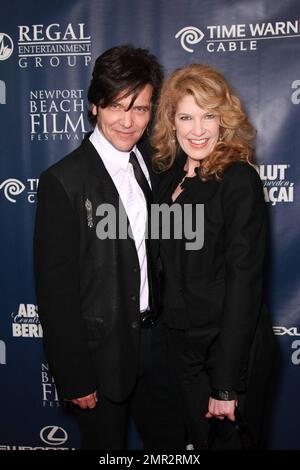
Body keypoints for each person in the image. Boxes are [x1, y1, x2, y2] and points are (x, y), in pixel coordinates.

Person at [34, 45, 184, 450]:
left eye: (141, 109)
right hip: (101, 354)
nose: (129, 121)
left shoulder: (156, 164)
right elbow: (55, 292)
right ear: (95, 105)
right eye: (118, 106)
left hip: (159, 345)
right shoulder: (62, 181)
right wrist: (75, 375)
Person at [151, 63, 275, 450]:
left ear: (225, 119)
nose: (198, 129)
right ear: (171, 122)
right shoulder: (167, 178)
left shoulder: (237, 179)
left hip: (227, 349)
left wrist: (226, 382)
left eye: (209, 116)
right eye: (186, 117)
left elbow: (244, 284)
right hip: (180, 349)